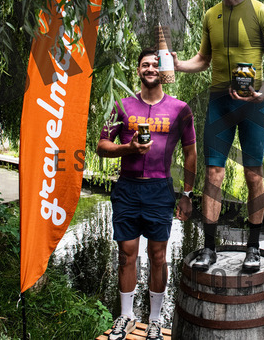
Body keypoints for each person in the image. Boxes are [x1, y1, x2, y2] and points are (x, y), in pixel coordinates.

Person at [173, 0, 264, 272]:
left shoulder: (262, 12)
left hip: (252, 104)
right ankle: (208, 248)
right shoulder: (211, 16)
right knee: (213, 174)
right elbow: (203, 59)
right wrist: (179, 65)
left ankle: (253, 248)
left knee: (254, 175)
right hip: (219, 102)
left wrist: (263, 91)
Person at [97, 47, 197, 340]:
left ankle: (154, 320)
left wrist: (187, 194)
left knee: (158, 255)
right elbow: (101, 146)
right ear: (138, 70)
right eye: (145, 64)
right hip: (127, 188)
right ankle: (126, 316)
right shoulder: (121, 105)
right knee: (126, 254)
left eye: (155, 64)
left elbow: (191, 153)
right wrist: (127, 148)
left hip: (159, 189)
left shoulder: (180, 109)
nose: (150, 68)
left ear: (164, 71)